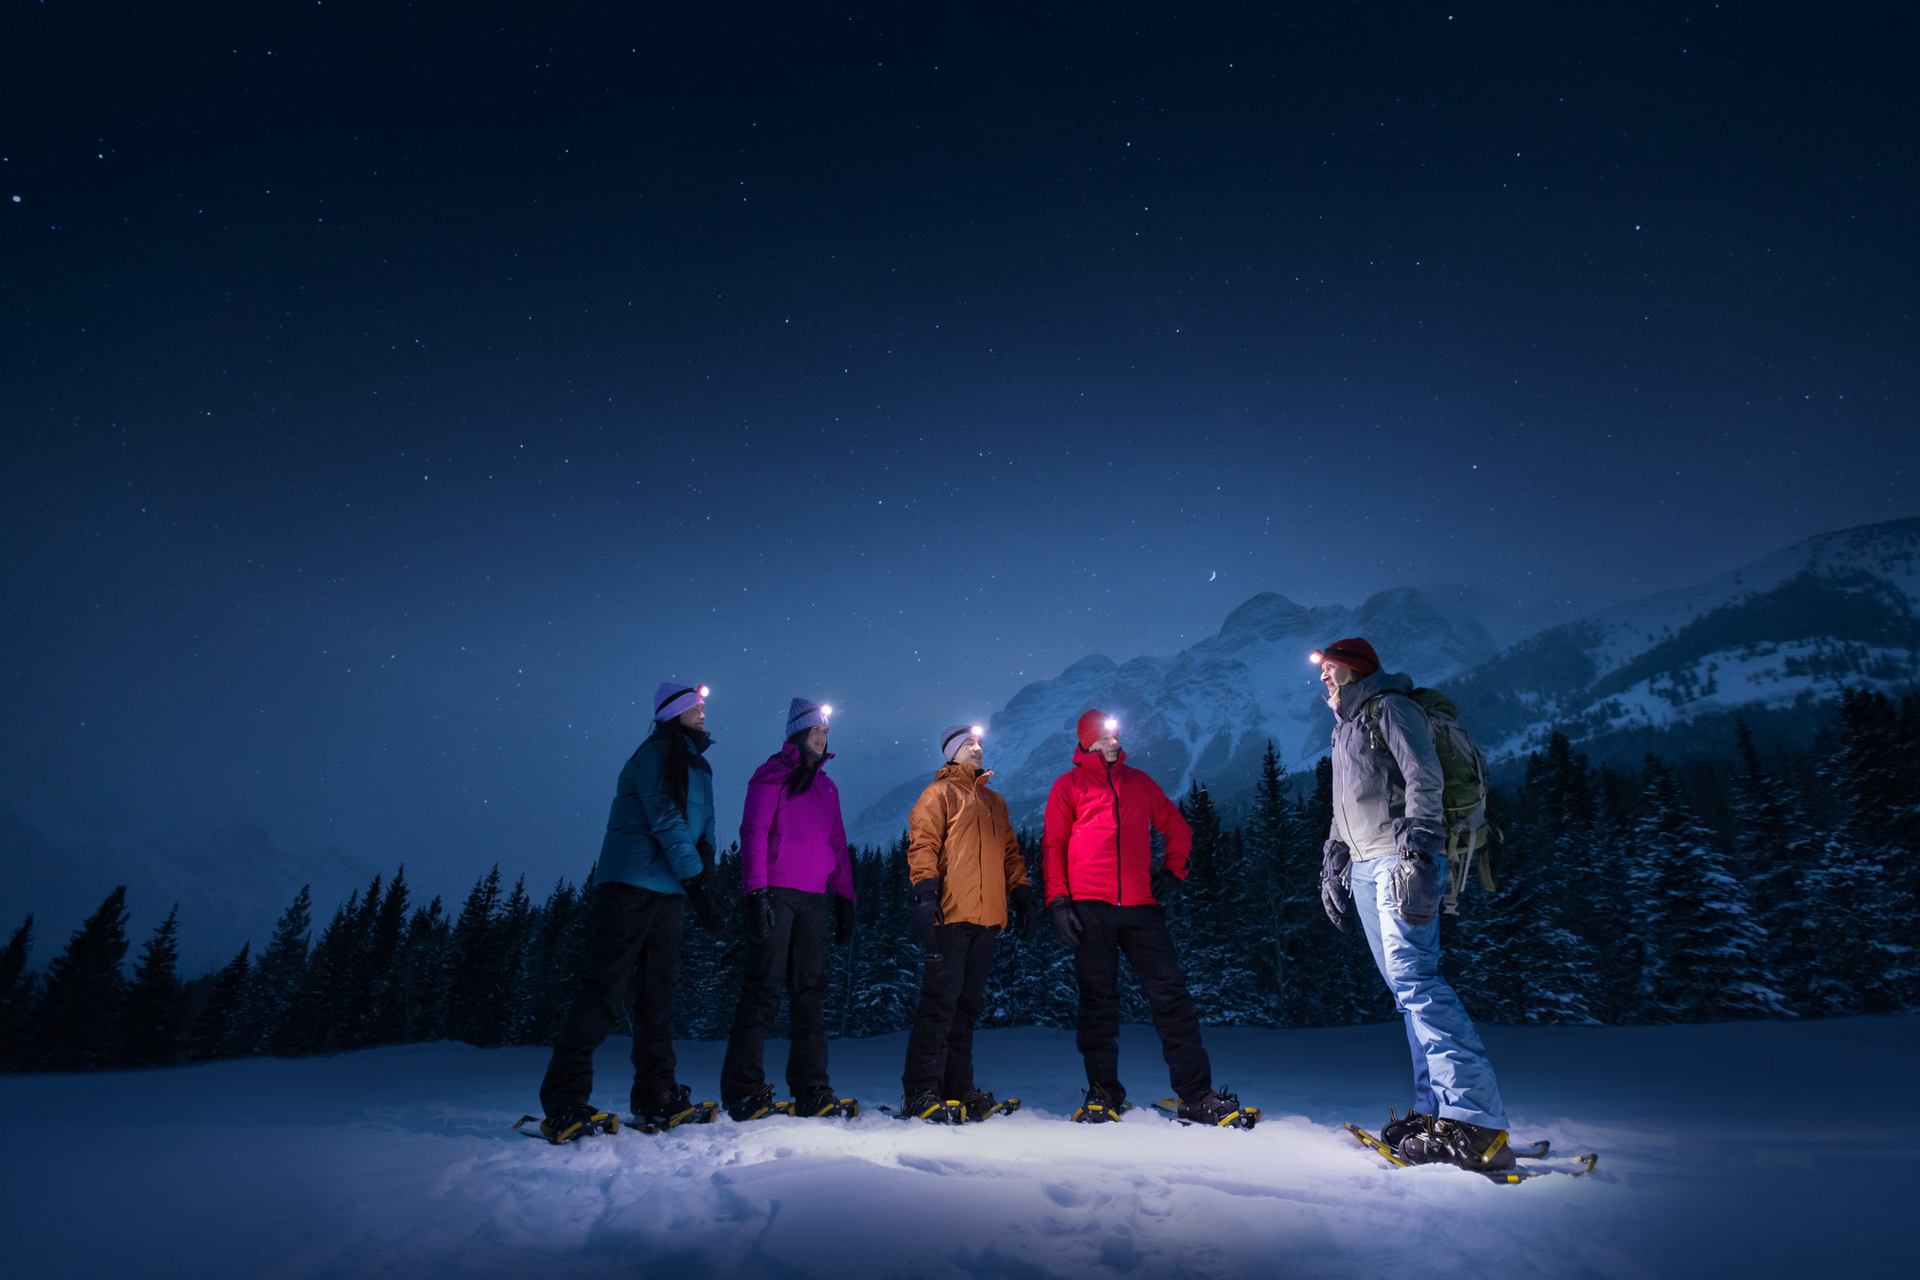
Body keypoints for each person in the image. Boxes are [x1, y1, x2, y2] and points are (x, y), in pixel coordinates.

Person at [1314, 637, 1514, 1171]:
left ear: (1355, 670)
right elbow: (1349, 802)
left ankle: (1477, 1122)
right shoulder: (1346, 726)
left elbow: (1425, 777)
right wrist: (1334, 857)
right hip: (1365, 864)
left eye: (1330, 670)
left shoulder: (1391, 708)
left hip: (1400, 861)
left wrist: (1422, 852)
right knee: (1407, 992)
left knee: (1419, 982)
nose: (1323, 679)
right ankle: (1436, 1111)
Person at [533, 681, 727, 1143]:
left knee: (658, 995)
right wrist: (696, 878)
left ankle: (656, 1093)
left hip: (669, 890)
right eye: (695, 708)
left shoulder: (700, 763)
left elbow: (705, 826)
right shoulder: (653, 755)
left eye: (703, 708)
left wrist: (707, 871)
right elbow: (665, 819)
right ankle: (564, 1099)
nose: (703, 714)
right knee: (605, 988)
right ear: (673, 712)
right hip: (630, 884)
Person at [1043, 709, 1253, 1127]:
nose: (1113, 742)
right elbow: (1054, 845)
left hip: (1141, 908)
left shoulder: (1138, 783)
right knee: (1098, 1002)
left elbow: (1178, 829)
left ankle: (1196, 1095)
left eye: (1116, 735)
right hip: (1090, 907)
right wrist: (1059, 902)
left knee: (1171, 997)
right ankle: (1103, 1094)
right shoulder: (1068, 787)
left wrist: (1174, 871)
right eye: (1104, 737)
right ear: (1087, 742)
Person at [720, 697, 859, 1120]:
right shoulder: (771, 776)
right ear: (798, 734)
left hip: (813, 900)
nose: (823, 738)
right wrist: (755, 893)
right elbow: (754, 834)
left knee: (810, 995)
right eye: (816, 731)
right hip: (776, 893)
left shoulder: (827, 786)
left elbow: (837, 843)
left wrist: (845, 895)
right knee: (762, 988)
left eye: (826, 733)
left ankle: (812, 1088)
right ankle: (744, 1089)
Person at [899, 724, 1036, 1122]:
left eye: (979, 743)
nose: (978, 748)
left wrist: (1022, 892)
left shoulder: (995, 802)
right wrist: (925, 894)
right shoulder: (938, 794)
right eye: (969, 744)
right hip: (951, 914)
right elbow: (923, 843)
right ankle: (921, 1090)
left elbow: (1010, 852)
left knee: (967, 1007)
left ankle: (958, 1087)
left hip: (987, 918)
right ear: (952, 753)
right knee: (939, 1005)